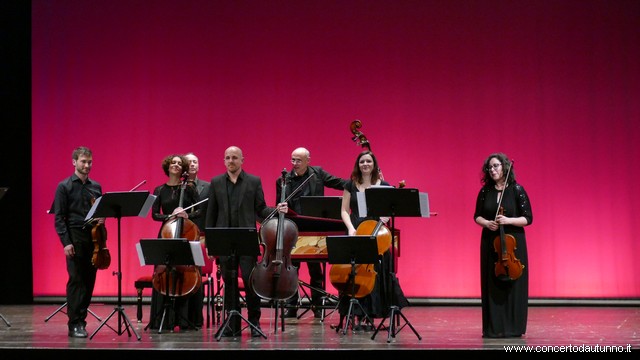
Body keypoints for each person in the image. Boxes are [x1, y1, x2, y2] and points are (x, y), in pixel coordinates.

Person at [205, 146, 288, 338]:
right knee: (229, 281)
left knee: (252, 282)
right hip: (224, 240)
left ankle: (254, 321)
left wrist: (276, 209)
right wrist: (210, 242)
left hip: (247, 238)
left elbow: (260, 210)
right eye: (227, 158)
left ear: (242, 160)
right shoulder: (216, 182)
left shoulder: (253, 181)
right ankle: (232, 323)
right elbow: (211, 214)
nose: (231, 161)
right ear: (224, 161)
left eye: (235, 157)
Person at [337, 150, 408, 330]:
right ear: (358, 165)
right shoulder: (350, 185)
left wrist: (386, 217)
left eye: (368, 161)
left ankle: (375, 312)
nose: (365, 164)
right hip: (356, 231)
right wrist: (351, 228)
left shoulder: (383, 185)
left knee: (377, 269)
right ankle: (357, 313)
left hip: (376, 233)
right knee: (355, 271)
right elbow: (344, 210)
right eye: (362, 162)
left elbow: (390, 209)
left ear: (374, 164)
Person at [276, 147, 345, 319]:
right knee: (292, 269)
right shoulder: (283, 180)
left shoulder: (317, 174)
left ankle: (317, 304)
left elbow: (338, 183)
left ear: (308, 160)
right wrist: (281, 207)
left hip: (315, 229)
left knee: (316, 270)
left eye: (298, 160)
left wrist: (358, 182)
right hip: (294, 228)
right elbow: (279, 204)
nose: (294, 164)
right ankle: (291, 306)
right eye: (292, 160)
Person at [474, 152, 532, 338]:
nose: (492, 170)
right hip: (491, 243)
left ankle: (514, 328)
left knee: (515, 284)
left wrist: (508, 220)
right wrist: (486, 223)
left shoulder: (517, 190)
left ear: (505, 167)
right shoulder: (485, 191)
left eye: (496, 166)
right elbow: (477, 216)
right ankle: (494, 328)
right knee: (492, 283)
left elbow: (527, 219)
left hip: (513, 243)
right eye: (490, 167)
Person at [148, 154, 204, 331]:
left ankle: (185, 318)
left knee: (185, 272)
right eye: (173, 163)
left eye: (180, 164)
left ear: (183, 168)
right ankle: (164, 320)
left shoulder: (189, 188)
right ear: (168, 166)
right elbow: (155, 214)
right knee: (164, 272)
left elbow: (200, 210)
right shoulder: (159, 190)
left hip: (185, 233)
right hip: (167, 233)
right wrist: (169, 216)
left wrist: (187, 215)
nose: (176, 165)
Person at [52, 146, 103, 338]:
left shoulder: (96, 187)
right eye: (83, 161)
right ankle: (74, 324)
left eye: (89, 161)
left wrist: (102, 217)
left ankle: (81, 320)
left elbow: (98, 211)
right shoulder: (64, 187)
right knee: (76, 281)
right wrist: (66, 242)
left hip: (94, 238)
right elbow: (59, 218)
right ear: (74, 162)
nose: (87, 165)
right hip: (75, 236)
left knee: (89, 281)